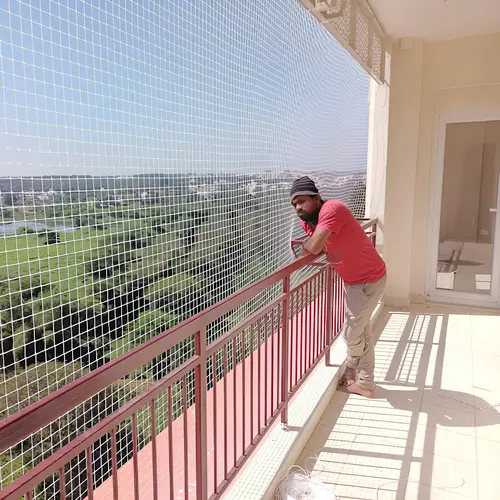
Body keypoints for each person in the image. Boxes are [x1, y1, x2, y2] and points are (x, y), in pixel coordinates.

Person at [290, 176, 386, 398]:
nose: (298, 208)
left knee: (352, 334)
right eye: (294, 204)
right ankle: (366, 383)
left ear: (316, 197)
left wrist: (312, 245)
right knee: (363, 330)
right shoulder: (309, 221)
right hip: (352, 280)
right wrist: (314, 245)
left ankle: (352, 369)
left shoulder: (333, 208)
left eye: (302, 201)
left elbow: (313, 248)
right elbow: (318, 248)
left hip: (370, 278)